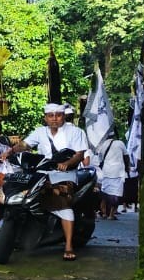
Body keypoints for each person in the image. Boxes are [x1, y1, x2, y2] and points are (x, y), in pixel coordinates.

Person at [13, 103, 89, 260]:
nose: (54, 118)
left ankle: (68, 246)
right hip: (41, 173)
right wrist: (10, 151)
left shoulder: (76, 132)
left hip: (65, 175)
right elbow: (25, 145)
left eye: (58, 115)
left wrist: (67, 163)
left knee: (63, 204)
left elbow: (79, 155)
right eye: (50, 116)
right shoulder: (40, 132)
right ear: (45, 118)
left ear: (63, 116)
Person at [94, 129, 129, 221]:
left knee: (105, 193)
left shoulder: (102, 145)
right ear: (114, 136)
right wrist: (127, 168)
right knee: (116, 194)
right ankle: (111, 214)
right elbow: (126, 157)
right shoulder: (120, 143)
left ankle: (104, 213)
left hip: (106, 172)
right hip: (118, 172)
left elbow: (100, 160)